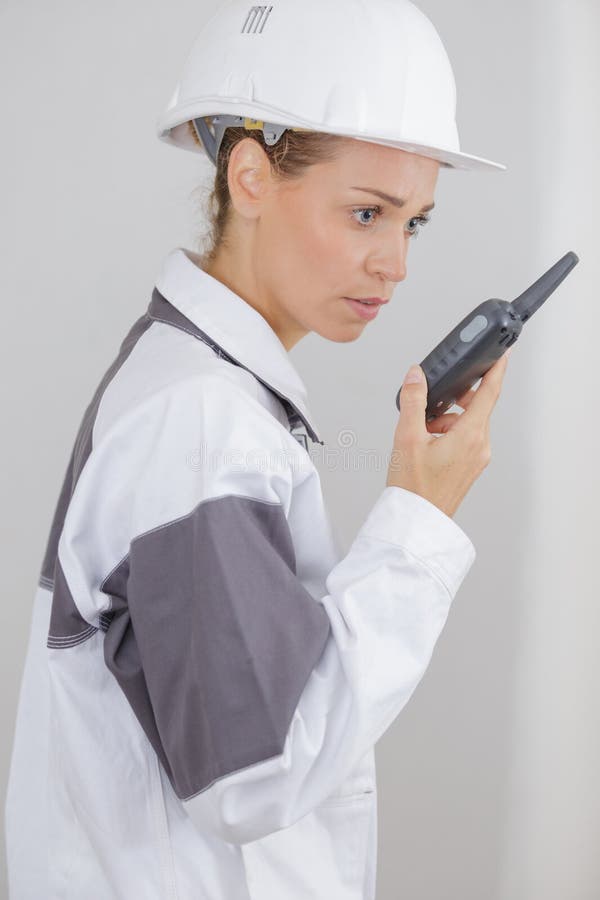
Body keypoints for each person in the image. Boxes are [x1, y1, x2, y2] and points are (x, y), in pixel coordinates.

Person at [4, 0, 511, 897]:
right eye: (365, 214)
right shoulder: (199, 420)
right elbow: (255, 774)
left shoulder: (194, 384)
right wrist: (419, 525)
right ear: (248, 177)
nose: (396, 263)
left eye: (414, 222)